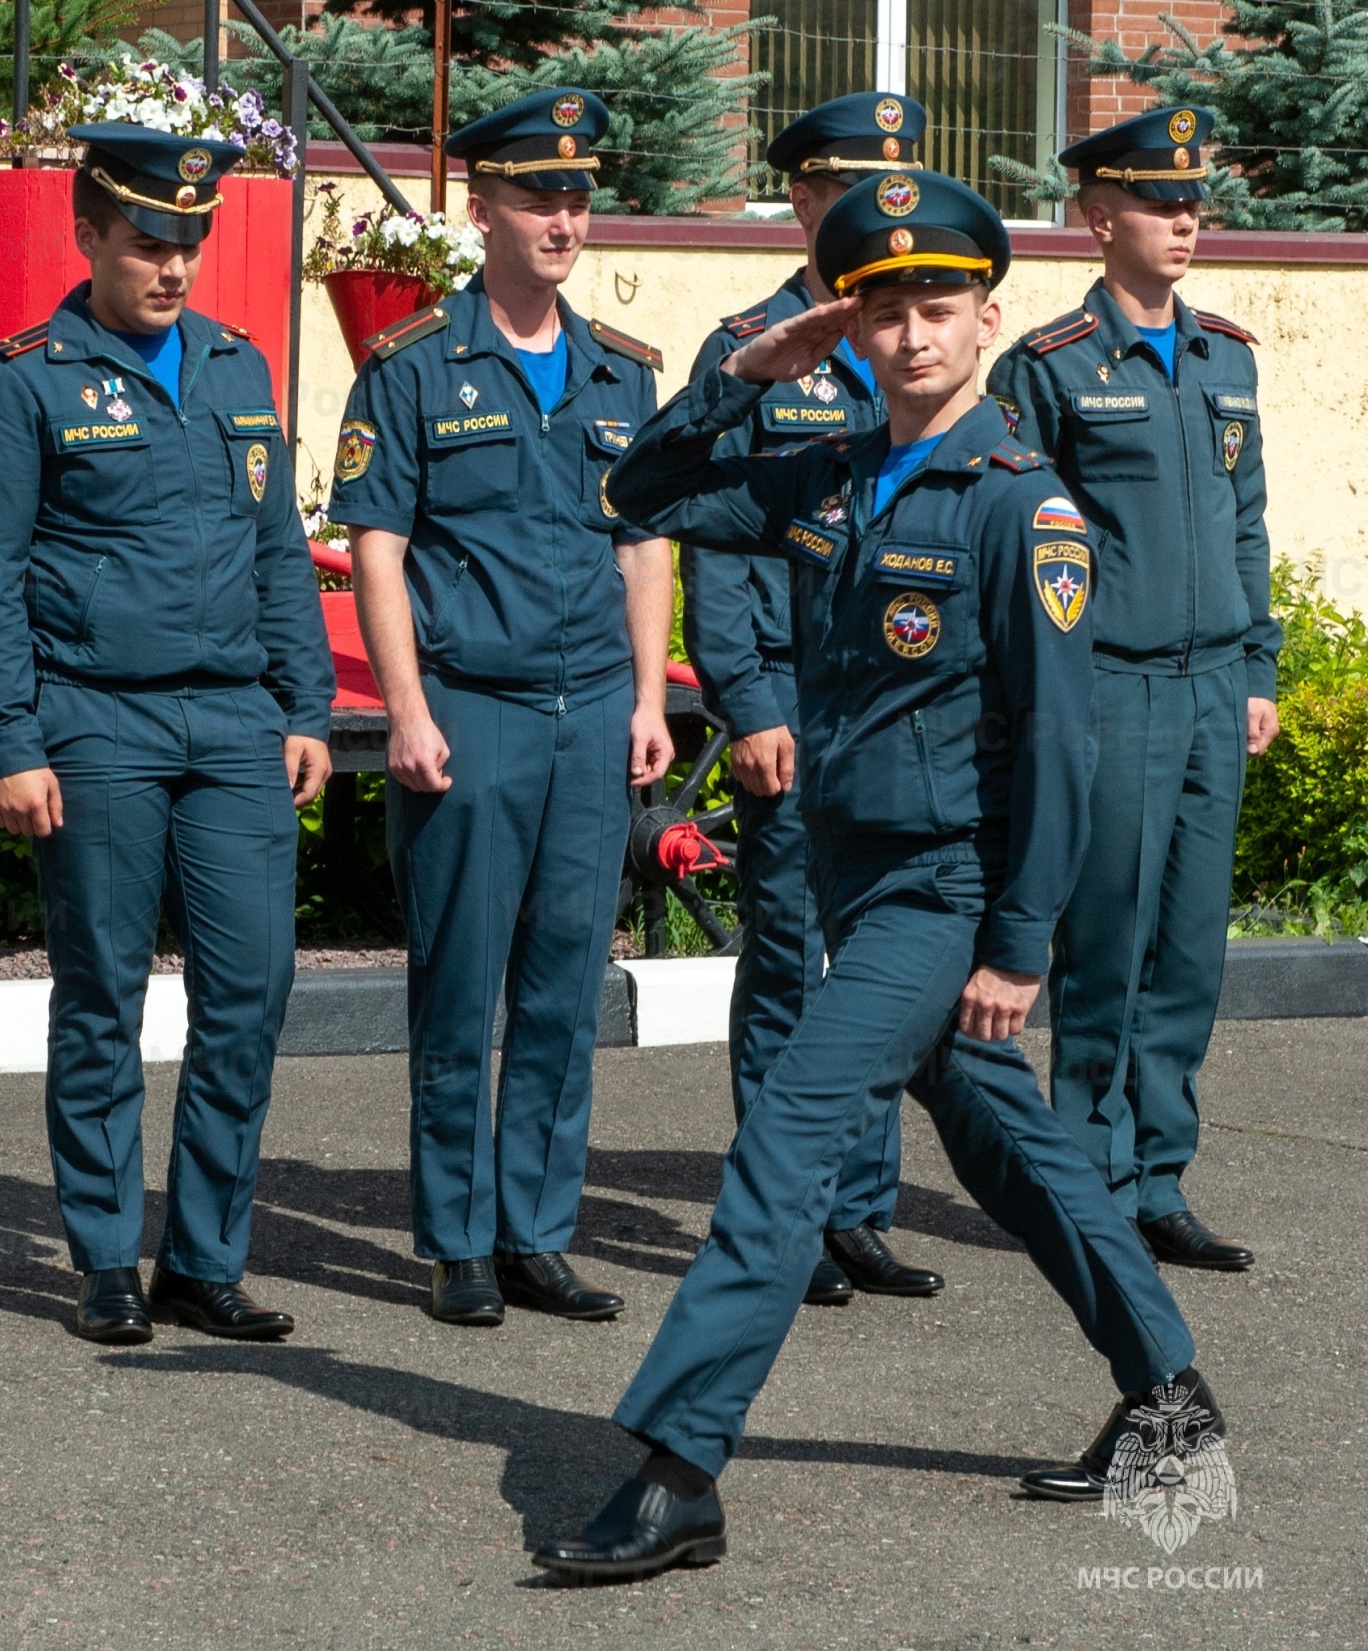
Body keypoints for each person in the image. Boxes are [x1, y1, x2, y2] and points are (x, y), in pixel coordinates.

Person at [533, 171, 1218, 1581]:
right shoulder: (833, 470)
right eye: (885, 310)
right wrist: (746, 373)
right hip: (859, 878)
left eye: (939, 307)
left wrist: (1017, 944)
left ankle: (679, 1463)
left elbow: (1066, 743)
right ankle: (1168, 1400)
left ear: (985, 319)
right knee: (1009, 1149)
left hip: (943, 886)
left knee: (789, 1134)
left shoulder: (1022, 507)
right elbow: (633, 490)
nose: (912, 336)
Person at [0, 122, 335, 1347]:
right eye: (147, 242)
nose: (172, 267)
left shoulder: (238, 367)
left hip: (232, 722)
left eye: (190, 242)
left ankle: (204, 1260)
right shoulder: (22, 378)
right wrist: (9, 739)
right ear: (88, 236)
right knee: (102, 993)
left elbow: (279, 551)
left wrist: (306, 704)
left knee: (248, 992)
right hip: (94, 722)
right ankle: (108, 1258)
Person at [328, 87, 674, 1328]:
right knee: (460, 982)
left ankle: (537, 1230)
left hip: (590, 717)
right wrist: (405, 712)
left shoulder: (620, 376)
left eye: (577, 196)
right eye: (537, 196)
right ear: (480, 211)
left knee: (562, 985)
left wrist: (649, 699)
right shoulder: (414, 365)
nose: (562, 218)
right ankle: (455, 1238)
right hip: (469, 710)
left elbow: (643, 546)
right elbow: (376, 546)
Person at [988, 107, 1275, 1271]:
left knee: (1188, 950)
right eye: (1162, 203)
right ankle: (1083, 1180)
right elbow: (1024, 540)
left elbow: (1246, 522)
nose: (1186, 220)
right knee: (1101, 945)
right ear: (1097, 219)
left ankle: (1157, 1176)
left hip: (1212, 688)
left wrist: (1256, 666)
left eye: (1193, 203)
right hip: (1109, 688)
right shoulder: (1048, 368)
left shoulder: (1224, 354)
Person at [685, 92, 942, 1309]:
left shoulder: (914, 340)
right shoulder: (752, 343)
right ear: (798, 199)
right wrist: (744, 703)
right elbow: (716, 545)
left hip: (890, 718)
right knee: (786, 961)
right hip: (791, 705)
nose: (870, 213)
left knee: (878, 963)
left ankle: (859, 1210)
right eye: (843, 188)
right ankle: (783, 1211)